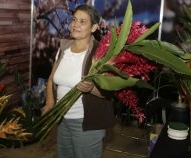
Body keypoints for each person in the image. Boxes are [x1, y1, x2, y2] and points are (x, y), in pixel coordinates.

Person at [41, 4, 116, 158]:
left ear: (94, 27)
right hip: (62, 121)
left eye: (83, 21)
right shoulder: (63, 48)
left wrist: (91, 89)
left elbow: (110, 91)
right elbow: (51, 79)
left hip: (87, 124)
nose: (75, 24)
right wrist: (49, 104)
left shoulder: (100, 54)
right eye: (74, 20)